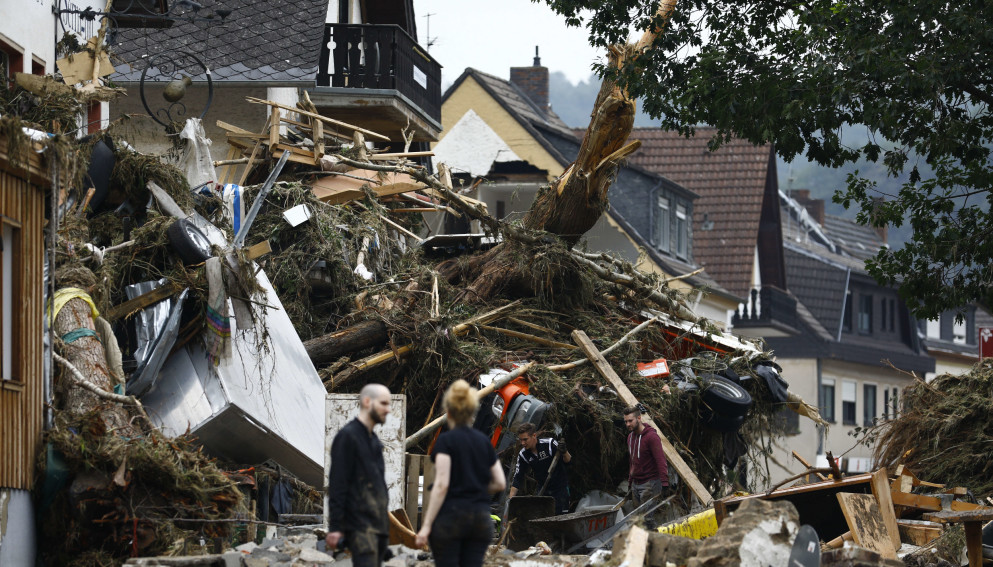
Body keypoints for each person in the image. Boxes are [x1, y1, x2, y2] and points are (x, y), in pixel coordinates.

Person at [415, 380, 506, 567]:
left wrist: (425, 527)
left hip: (452, 518)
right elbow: (499, 483)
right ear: (472, 413)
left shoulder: (446, 442)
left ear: (448, 413)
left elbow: (442, 484)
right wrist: (477, 488)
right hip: (480, 519)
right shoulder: (483, 442)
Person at [326, 384, 392, 567]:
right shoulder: (348, 437)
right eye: (384, 403)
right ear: (367, 402)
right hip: (360, 527)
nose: (388, 409)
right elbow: (338, 484)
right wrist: (335, 528)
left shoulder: (374, 441)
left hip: (377, 528)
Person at [508, 422, 571, 514]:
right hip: (543, 491)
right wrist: (510, 500)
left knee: (561, 517)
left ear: (534, 435)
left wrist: (565, 452)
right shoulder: (523, 454)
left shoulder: (549, 444)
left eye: (525, 439)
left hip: (560, 489)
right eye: (520, 440)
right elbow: (518, 478)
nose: (522, 443)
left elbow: (568, 461)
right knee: (541, 518)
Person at [623, 404, 669, 528]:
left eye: (630, 421)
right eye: (626, 421)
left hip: (650, 483)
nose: (628, 424)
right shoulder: (630, 437)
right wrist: (630, 482)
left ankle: (657, 542)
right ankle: (643, 545)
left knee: (646, 519)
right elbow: (633, 461)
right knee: (638, 520)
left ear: (639, 419)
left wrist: (664, 483)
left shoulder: (651, 437)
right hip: (636, 484)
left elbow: (661, 460)